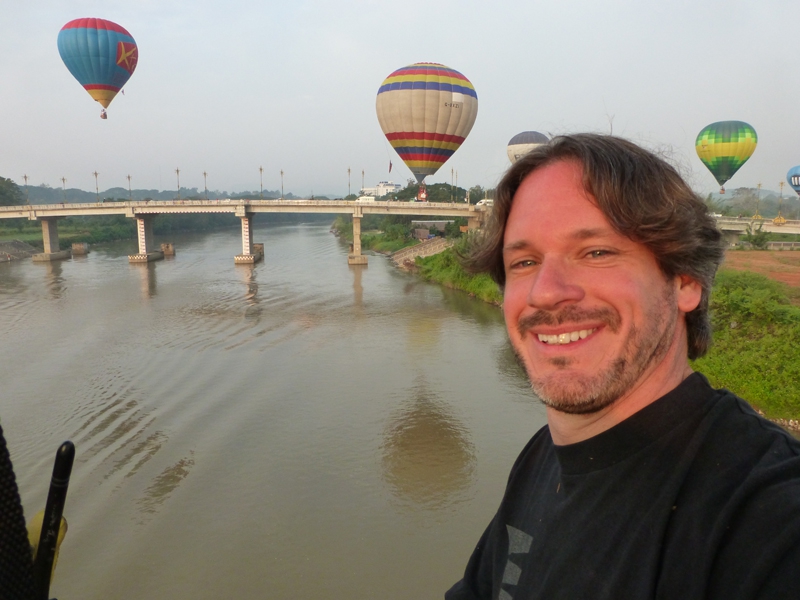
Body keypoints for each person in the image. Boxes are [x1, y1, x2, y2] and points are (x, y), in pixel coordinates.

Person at [446, 134, 800, 599]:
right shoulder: (545, 455)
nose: (546, 292)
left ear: (685, 281)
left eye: (597, 252)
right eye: (525, 261)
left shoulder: (767, 516)